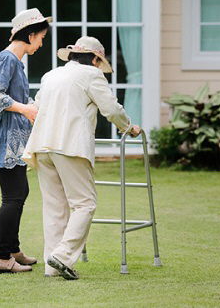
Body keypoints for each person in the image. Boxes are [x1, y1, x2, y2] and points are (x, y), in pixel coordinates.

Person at [22, 36, 141, 280]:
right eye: (100, 62)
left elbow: (38, 106)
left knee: (55, 207)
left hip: (42, 145)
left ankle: (51, 266)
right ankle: (63, 256)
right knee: (84, 203)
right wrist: (129, 127)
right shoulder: (92, 75)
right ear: (96, 59)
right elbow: (111, 109)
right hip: (70, 146)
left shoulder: (51, 75)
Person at [0, 8, 51, 274]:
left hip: (15, 138)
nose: (41, 44)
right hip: (6, 139)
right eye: (41, 38)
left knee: (20, 193)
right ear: (30, 35)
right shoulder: (7, 59)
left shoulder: (14, 62)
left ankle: (13, 249)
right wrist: (26, 109)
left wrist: (31, 106)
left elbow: (10, 96)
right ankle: (1, 258)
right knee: (13, 196)